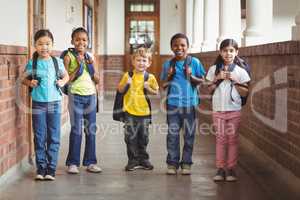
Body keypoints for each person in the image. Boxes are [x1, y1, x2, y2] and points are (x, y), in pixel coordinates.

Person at [22, 29, 69, 181]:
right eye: (40, 44)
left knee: (54, 136)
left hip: (54, 103)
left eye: (47, 44)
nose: (44, 47)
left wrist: (62, 81)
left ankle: (51, 169)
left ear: (52, 45)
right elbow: (23, 79)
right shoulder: (32, 62)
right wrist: (30, 82)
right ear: (35, 45)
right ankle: (41, 168)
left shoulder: (57, 62)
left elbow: (66, 76)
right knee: (40, 135)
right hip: (38, 104)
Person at [206, 39, 251, 182]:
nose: (228, 53)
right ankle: (220, 169)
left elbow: (245, 93)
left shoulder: (241, 71)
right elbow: (209, 89)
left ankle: (231, 169)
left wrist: (234, 80)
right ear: (220, 52)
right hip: (218, 109)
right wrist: (218, 78)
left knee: (232, 140)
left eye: (231, 50)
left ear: (236, 52)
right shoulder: (214, 70)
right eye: (225, 50)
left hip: (234, 109)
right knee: (220, 139)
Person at [160, 33, 205, 175]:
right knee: (172, 135)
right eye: (176, 45)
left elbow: (202, 80)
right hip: (173, 105)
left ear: (187, 47)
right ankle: (172, 163)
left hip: (189, 105)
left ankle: (186, 163)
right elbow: (164, 85)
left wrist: (191, 75)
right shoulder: (168, 64)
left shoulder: (195, 62)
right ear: (171, 47)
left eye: (182, 45)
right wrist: (169, 76)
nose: (179, 48)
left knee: (189, 135)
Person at [63, 27, 101, 174]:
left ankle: (91, 162)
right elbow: (66, 80)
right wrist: (79, 65)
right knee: (76, 130)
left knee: (90, 131)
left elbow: (97, 79)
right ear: (72, 41)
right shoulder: (68, 56)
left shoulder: (90, 57)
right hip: (75, 96)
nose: (81, 42)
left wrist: (90, 64)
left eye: (84, 39)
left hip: (91, 96)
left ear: (88, 42)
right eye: (77, 39)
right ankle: (73, 163)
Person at [117, 47, 159, 171]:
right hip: (129, 111)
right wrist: (127, 83)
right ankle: (133, 160)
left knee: (143, 137)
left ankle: (143, 159)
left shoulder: (149, 77)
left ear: (149, 63)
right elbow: (119, 90)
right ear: (133, 61)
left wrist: (149, 88)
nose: (141, 63)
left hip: (144, 112)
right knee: (130, 137)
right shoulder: (128, 75)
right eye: (138, 60)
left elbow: (156, 92)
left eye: (144, 60)